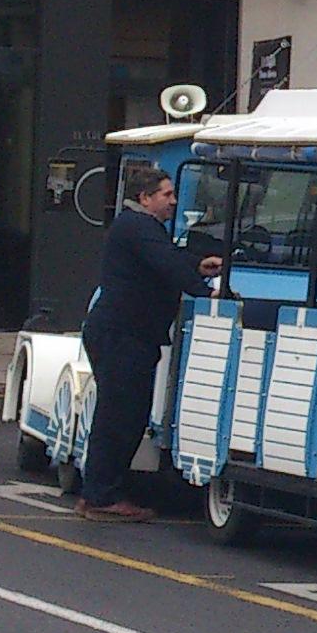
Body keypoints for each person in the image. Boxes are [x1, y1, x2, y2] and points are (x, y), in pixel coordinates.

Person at [79, 160, 217, 523]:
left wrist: (197, 264)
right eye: (167, 195)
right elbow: (165, 263)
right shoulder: (137, 226)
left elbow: (164, 259)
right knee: (119, 416)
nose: (173, 202)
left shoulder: (140, 228)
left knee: (125, 413)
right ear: (145, 197)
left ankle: (101, 491)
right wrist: (207, 290)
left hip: (127, 334)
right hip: (122, 334)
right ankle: (100, 496)